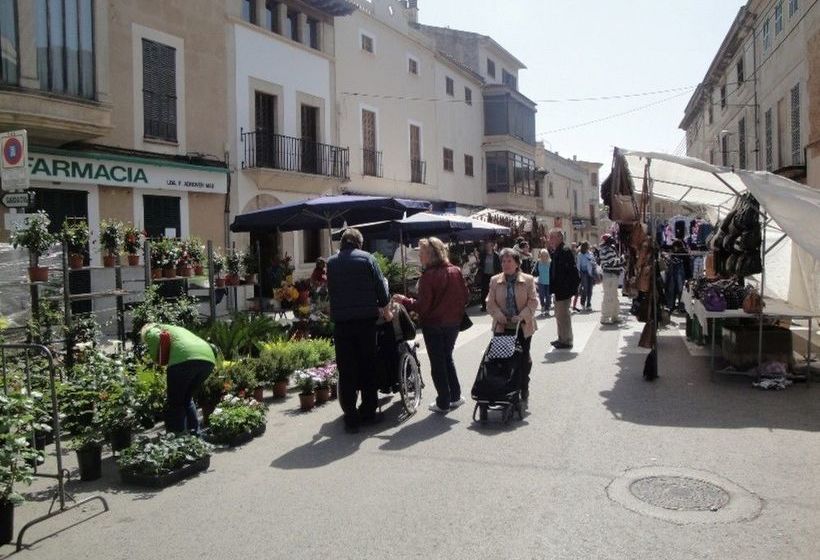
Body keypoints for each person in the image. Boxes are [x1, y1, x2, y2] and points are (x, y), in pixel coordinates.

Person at [327, 228, 393, 433]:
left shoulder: (331, 262)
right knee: (367, 366)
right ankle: (368, 411)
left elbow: (331, 290)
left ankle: (351, 416)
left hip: (342, 323)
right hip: (365, 322)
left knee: (346, 370)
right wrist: (384, 306)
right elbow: (381, 290)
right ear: (359, 243)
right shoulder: (368, 259)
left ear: (343, 243)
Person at [393, 237, 469, 413]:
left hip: (434, 324)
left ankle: (443, 402)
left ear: (431, 255)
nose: (419, 256)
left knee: (438, 363)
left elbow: (422, 306)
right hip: (453, 323)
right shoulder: (455, 271)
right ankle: (455, 396)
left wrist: (405, 300)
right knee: (447, 358)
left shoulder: (429, 276)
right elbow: (465, 297)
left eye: (422, 253)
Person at [140, 323, 216, 435]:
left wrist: (154, 358)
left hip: (183, 360)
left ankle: (178, 436)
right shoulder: (174, 328)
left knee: (175, 402)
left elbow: (157, 343)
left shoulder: (151, 331)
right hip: (207, 359)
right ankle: (195, 434)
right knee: (187, 398)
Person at [486, 248, 538, 402]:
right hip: (502, 327)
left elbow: (533, 301)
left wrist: (521, 316)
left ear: (517, 263)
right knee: (502, 360)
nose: (506, 264)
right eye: (503, 261)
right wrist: (498, 315)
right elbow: (490, 302)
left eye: (509, 261)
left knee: (522, 358)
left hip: (522, 326)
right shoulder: (495, 280)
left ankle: (523, 386)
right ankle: (505, 389)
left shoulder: (527, 280)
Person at [548, 228, 579, 349]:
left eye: (552, 237)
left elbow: (572, 272)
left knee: (563, 316)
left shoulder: (565, 251)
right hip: (559, 289)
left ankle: (566, 340)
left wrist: (570, 289)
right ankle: (561, 338)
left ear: (560, 238)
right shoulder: (557, 251)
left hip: (563, 290)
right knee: (559, 315)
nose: (550, 240)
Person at [598, 234, 624, 324]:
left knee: (614, 296)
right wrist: (622, 259)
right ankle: (605, 317)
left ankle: (615, 316)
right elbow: (612, 262)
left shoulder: (609, 249)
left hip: (612, 275)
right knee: (609, 297)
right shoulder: (607, 250)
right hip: (610, 275)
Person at [665, 239, 689, 312]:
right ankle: (677, 306)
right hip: (678, 275)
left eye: (675, 247)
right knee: (678, 291)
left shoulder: (681, 254)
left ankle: (674, 306)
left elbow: (687, 266)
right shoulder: (676, 253)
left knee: (677, 291)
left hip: (678, 275)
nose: (675, 248)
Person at [478, 240, 501, 312]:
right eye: (486, 246)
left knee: (494, 291)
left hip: (494, 275)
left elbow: (499, 266)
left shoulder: (497, 255)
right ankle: (484, 306)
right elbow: (480, 264)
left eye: (488, 246)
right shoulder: (483, 255)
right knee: (484, 291)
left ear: (492, 246)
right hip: (485, 275)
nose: (487, 247)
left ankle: (495, 306)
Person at [577, 242, 596, 311]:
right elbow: (578, 265)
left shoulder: (590, 253)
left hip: (590, 272)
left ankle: (588, 304)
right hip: (583, 272)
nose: (588, 248)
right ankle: (582, 302)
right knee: (585, 288)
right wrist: (579, 273)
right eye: (587, 246)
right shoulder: (580, 254)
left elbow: (594, 262)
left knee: (590, 289)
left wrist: (592, 261)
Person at [533, 248, 552, 316]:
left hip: (548, 282)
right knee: (541, 295)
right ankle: (543, 306)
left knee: (548, 296)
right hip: (541, 281)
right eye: (542, 255)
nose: (544, 256)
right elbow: (535, 272)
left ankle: (547, 309)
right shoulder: (538, 262)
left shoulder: (550, 262)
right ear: (540, 255)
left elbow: (552, 272)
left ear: (547, 255)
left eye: (545, 255)